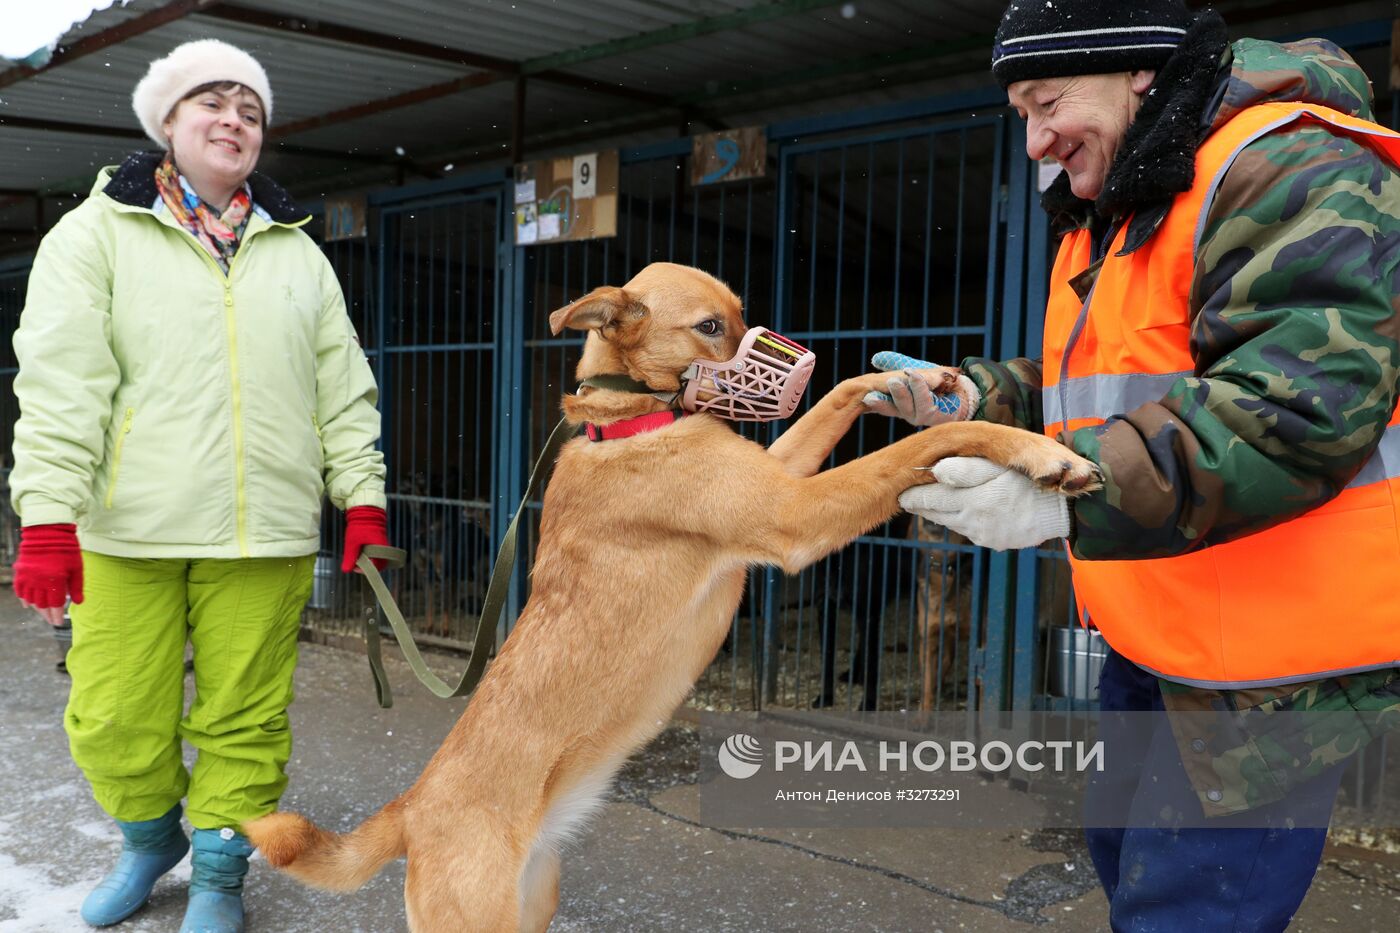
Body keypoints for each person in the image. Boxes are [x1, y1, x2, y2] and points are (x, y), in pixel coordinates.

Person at [866, 2, 1400, 929]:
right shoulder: (1124, 204)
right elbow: (1098, 386)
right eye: (1021, 114)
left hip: (1266, 664)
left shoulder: (1287, 165)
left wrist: (1068, 492)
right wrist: (973, 400)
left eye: (1047, 102)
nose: (1036, 142)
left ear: (1139, 72)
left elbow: (1292, 410)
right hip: (1156, 628)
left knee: (1184, 910)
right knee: (1130, 873)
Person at [9, 39, 388, 933]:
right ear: (167, 123)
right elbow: (62, 381)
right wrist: (49, 517)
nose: (233, 122)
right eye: (212, 103)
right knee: (110, 713)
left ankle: (220, 866)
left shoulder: (297, 253)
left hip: (263, 537)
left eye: (250, 111)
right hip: (126, 529)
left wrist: (361, 494)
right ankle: (150, 839)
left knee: (245, 716)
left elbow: (343, 383)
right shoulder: (95, 233)